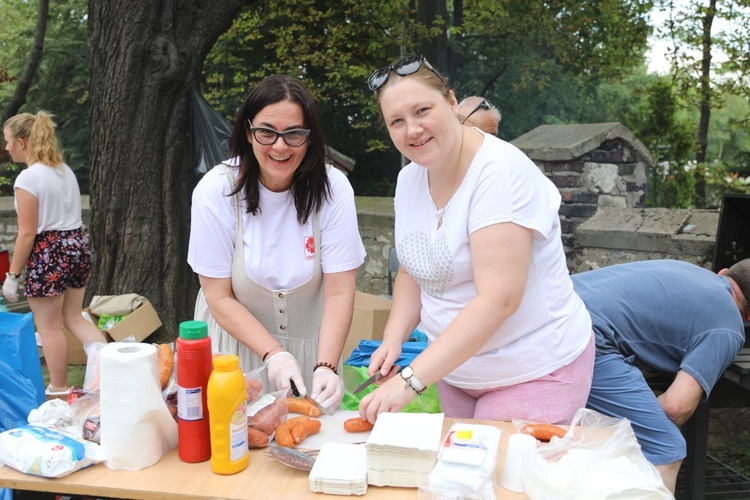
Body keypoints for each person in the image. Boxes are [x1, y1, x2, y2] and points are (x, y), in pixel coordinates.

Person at [359, 55, 594, 425]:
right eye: (397, 121)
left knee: (492, 477)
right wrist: (393, 338)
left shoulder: (499, 172)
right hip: (454, 371)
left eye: (422, 110)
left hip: (533, 371)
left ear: (451, 103)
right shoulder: (410, 179)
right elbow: (412, 269)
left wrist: (410, 380)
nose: (413, 130)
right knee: (457, 476)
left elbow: (498, 299)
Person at [188, 75, 365, 412]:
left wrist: (327, 365)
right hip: (233, 358)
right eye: (266, 132)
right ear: (247, 132)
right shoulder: (216, 191)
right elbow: (218, 296)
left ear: (310, 139)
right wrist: (273, 353)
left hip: (314, 355)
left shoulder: (334, 189)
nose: (280, 146)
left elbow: (340, 290)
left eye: (294, 134)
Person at [573, 259, 749, 494]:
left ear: (723, 272)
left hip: (554, 307)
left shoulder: (689, 271)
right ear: (748, 319)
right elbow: (675, 407)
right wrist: (646, 423)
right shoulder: (728, 327)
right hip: (584, 335)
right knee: (666, 448)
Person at [2, 111, 107, 396]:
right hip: (77, 245)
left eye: (9, 142)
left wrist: (12, 275)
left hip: (50, 252)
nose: (7, 148)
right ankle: (112, 371)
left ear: (22, 142)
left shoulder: (28, 178)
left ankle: (58, 390)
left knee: (48, 327)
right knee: (74, 318)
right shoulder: (64, 170)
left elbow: (26, 233)